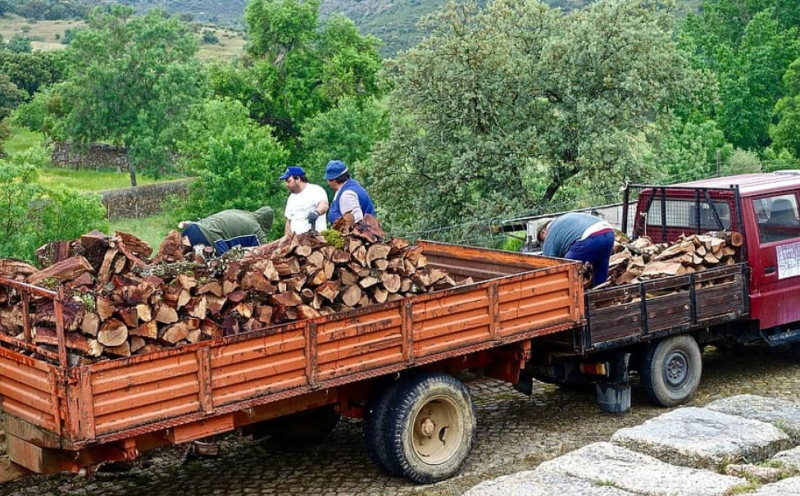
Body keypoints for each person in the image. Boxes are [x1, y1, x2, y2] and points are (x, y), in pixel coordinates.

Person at [536, 213, 614, 287]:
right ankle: (600, 296)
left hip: (590, 238)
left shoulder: (550, 233)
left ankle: (571, 297)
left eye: (542, 239)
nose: (544, 242)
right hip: (608, 233)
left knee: (567, 270)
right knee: (600, 268)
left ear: (543, 232)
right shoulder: (563, 222)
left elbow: (548, 263)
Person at [179, 207, 274, 256]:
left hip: (192, 228)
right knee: (222, 268)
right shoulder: (257, 229)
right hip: (208, 239)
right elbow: (263, 252)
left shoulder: (242, 213)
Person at [280, 165, 329, 235]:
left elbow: (324, 205)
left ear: (298, 179)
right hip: (296, 242)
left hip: (315, 240)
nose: (286, 185)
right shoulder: (291, 198)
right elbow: (289, 221)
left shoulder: (316, 190)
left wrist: (317, 212)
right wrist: (286, 239)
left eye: (288, 181)